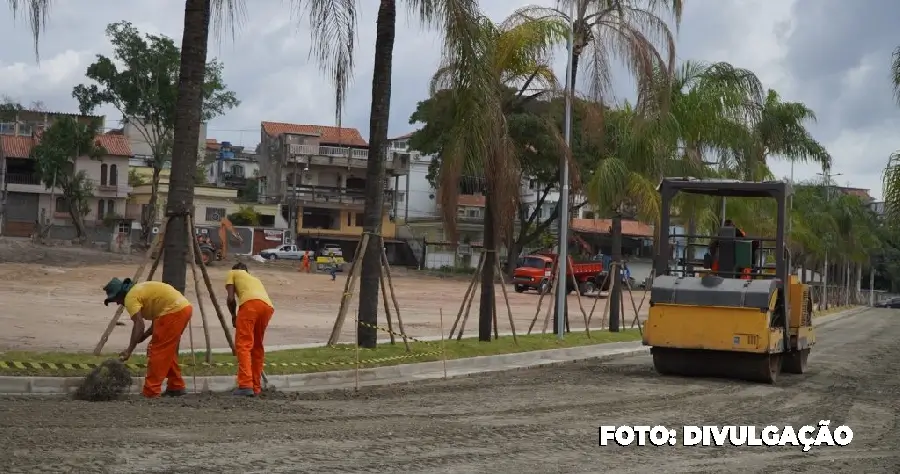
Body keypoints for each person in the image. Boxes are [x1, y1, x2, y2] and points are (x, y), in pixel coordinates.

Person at [103, 278, 193, 398]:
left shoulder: (130, 298)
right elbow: (158, 319)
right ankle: (176, 386)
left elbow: (139, 325)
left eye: (115, 299)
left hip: (174, 312)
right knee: (166, 351)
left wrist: (129, 350)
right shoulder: (139, 290)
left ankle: (151, 391)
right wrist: (144, 336)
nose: (118, 303)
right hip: (183, 309)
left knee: (156, 351)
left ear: (120, 294)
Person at [226, 262, 275, 397]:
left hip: (250, 306)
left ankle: (245, 385)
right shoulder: (255, 279)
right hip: (267, 307)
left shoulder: (232, 273)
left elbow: (230, 299)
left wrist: (233, 316)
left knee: (243, 344)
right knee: (257, 347)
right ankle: (255, 386)